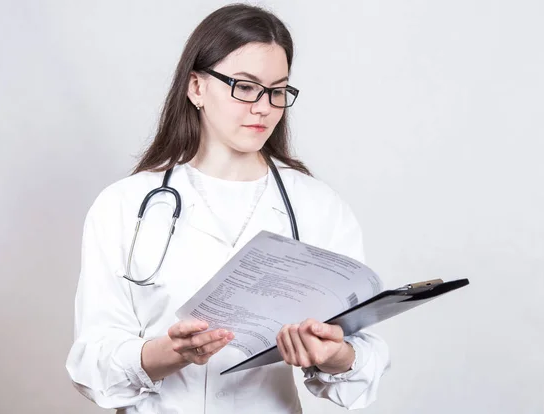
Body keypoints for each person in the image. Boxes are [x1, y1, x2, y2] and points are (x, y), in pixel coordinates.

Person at [66, 4, 390, 413]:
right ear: (197, 87)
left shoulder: (318, 207)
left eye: (276, 90)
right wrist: (169, 352)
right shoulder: (123, 206)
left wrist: (333, 354)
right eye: (245, 86)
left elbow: (362, 364)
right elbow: (91, 363)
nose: (263, 107)